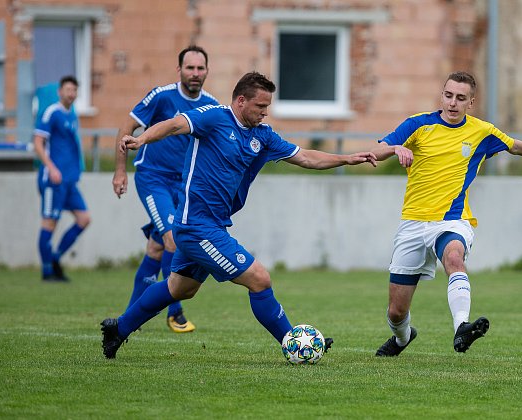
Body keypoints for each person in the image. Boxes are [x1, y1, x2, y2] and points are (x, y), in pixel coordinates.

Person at [100, 71, 377, 359]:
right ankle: (294, 344)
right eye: (260, 107)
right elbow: (172, 125)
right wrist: (141, 139)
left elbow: (305, 157)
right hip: (196, 226)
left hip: (213, 225)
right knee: (259, 278)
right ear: (241, 101)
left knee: (179, 288)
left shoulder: (263, 136)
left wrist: (346, 158)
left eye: (267, 108)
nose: (265, 113)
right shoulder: (214, 117)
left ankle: (118, 329)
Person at [370, 71, 522, 357]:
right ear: (442, 95)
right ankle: (402, 338)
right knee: (396, 312)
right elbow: (376, 150)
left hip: (452, 219)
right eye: (448, 95)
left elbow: (513, 145)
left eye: (460, 98)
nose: (453, 103)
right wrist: (396, 147)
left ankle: (462, 326)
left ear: (471, 102)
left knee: (453, 257)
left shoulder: (481, 131)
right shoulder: (417, 124)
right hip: (413, 223)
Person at [112, 46, 219, 333]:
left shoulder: (211, 105)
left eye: (200, 68)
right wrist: (120, 170)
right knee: (172, 240)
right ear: (179, 70)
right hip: (153, 179)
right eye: (189, 68)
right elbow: (127, 127)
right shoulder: (161, 96)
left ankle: (127, 320)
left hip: (183, 187)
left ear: (207, 71)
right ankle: (175, 312)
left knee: (157, 246)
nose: (195, 73)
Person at [33, 76, 90, 282]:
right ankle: (47, 271)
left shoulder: (71, 115)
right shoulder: (52, 112)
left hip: (69, 181)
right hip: (53, 179)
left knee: (84, 219)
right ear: (60, 91)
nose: (71, 93)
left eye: (74, 90)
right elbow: (38, 142)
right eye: (68, 89)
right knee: (50, 222)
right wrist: (51, 168)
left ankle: (55, 258)